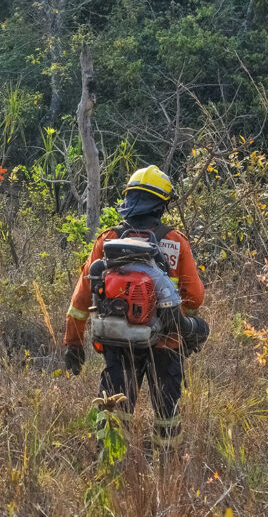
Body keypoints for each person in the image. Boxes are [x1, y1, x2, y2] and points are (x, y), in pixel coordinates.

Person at [63, 165, 206, 450]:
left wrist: (73, 343)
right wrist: (177, 320)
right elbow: (195, 297)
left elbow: (81, 299)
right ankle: (166, 466)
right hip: (166, 343)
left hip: (118, 340)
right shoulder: (175, 242)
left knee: (115, 410)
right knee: (167, 412)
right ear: (162, 204)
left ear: (128, 200)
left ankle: (111, 463)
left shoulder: (107, 241)